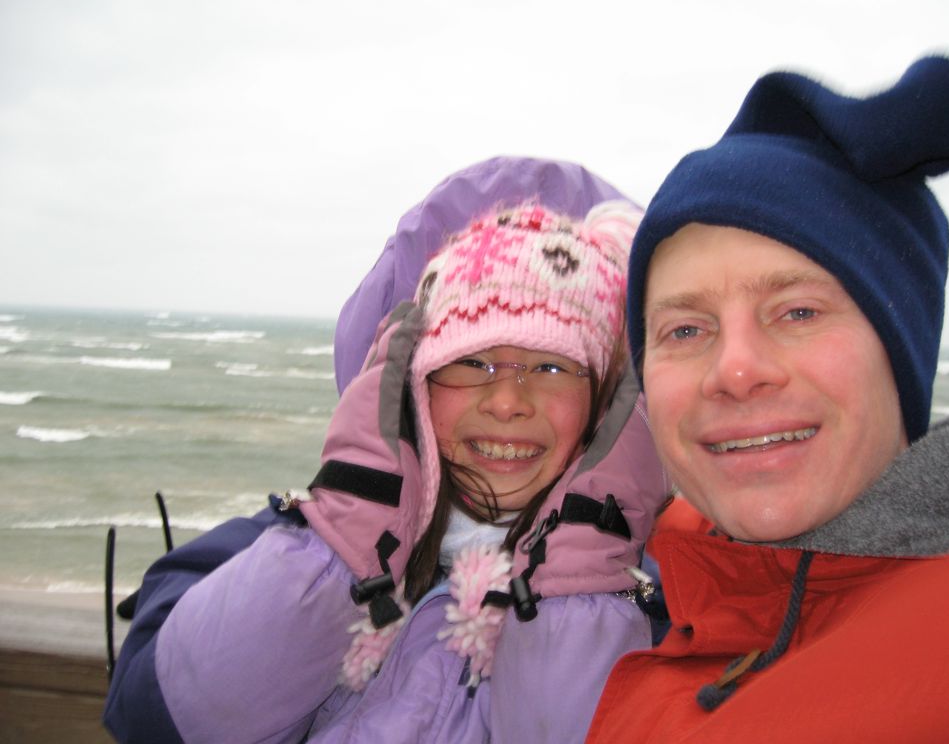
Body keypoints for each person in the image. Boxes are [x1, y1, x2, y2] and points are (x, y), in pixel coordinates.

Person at [102, 156, 654, 741]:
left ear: (608, 404)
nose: (506, 401)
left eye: (552, 366)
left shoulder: (664, 599)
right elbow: (156, 718)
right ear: (411, 380)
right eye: (471, 361)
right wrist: (349, 532)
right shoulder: (281, 547)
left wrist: (583, 570)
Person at [586, 56, 949, 742]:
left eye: (798, 312)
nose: (735, 370)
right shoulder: (676, 581)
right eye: (686, 329)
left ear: (900, 349)